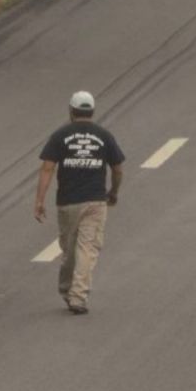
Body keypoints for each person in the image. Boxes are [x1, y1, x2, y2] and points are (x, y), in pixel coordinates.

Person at [34, 91, 124, 314]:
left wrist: (39, 200)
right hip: (95, 200)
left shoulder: (60, 135)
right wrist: (113, 191)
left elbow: (47, 168)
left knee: (71, 249)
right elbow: (118, 168)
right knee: (85, 249)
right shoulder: (104, 136)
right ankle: (74, 294)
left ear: (71, 112)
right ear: (92, 112)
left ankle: (73, 293)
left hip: (68, 202)